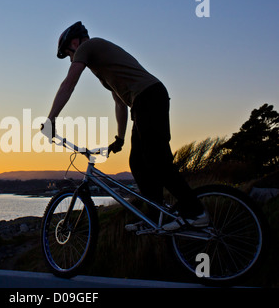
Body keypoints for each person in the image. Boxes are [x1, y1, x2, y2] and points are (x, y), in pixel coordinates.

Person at [42, 21, 208, 231]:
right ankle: (156, 216)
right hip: (142, 103)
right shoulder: (104, 64)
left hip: (149, 98)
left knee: (156, 159)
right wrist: (119, 139)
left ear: (74, 42)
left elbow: (69, 83)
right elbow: (119, 102)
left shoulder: (88, 47)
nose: (70, 59)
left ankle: (196, 211)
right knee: (138, 163)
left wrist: (51, 119)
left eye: (67, 53)